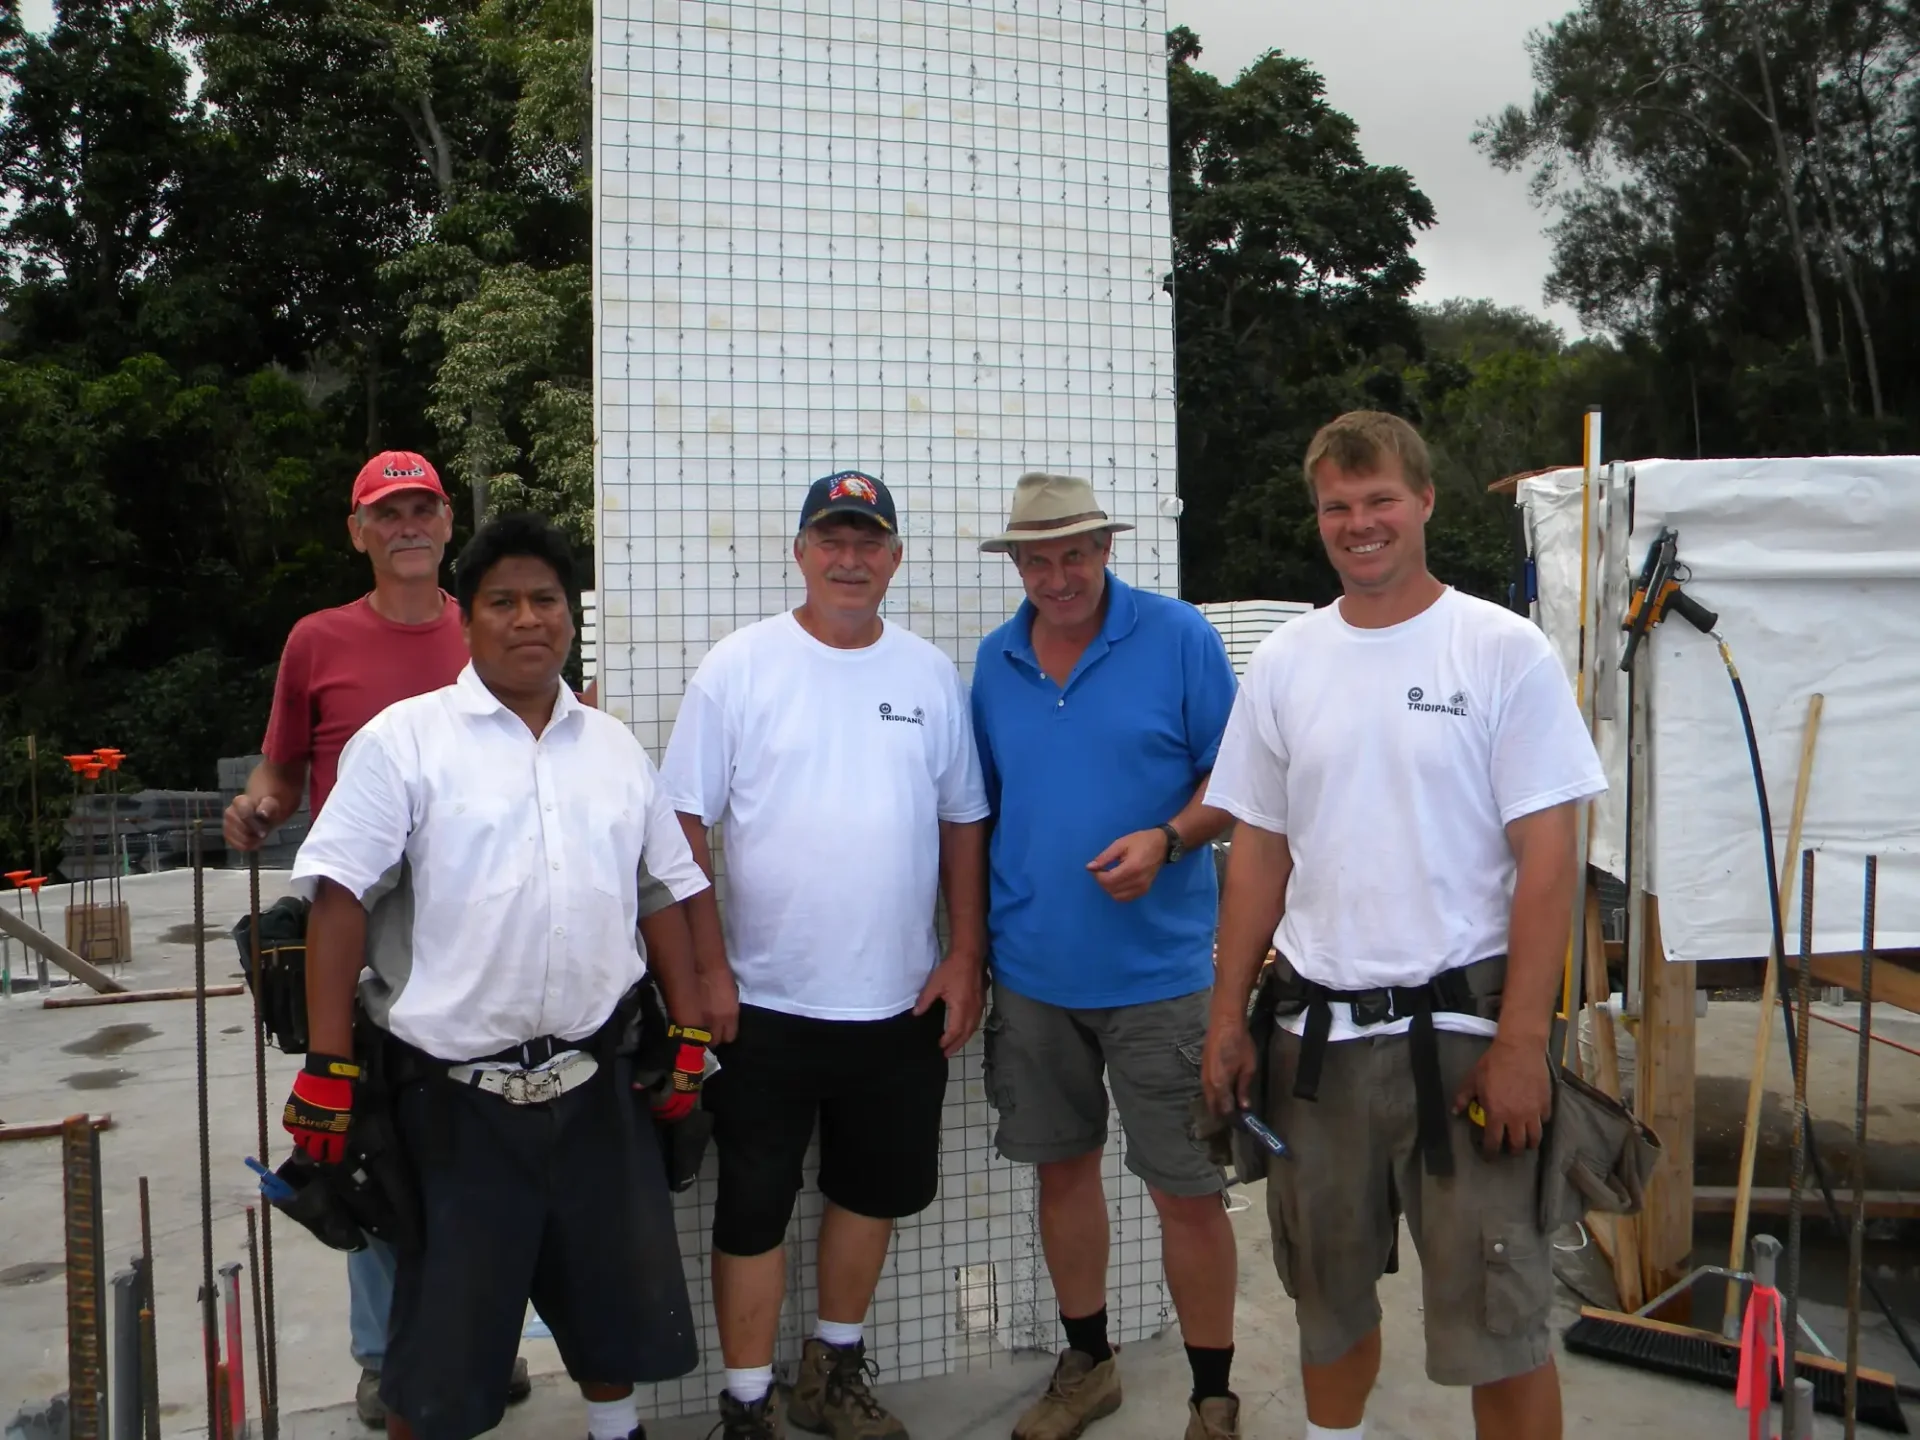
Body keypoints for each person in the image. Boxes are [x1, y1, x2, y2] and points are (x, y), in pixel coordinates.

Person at [1199, 411, 1606, 1440]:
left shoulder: (1499, 649)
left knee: (1498, 1320)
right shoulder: (1289, 662)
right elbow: (1258, 850)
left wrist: (1524, 1043)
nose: (1359, 522)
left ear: (1424, 501)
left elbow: (1549, 859)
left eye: (1379, 499)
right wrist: (1226, 1020)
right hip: (1316, 1044)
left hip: (1466, 1041)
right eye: (1337, 507)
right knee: (1326, 1306)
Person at [284, 511, 717, 1440]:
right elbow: (339, 901)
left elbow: (662, 895)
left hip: (598, 1086)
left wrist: (686, 1036)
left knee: (615, 1305)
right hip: (455, 1105)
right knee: (441, 1359)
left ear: (571, 616)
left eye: (547, 600)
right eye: (503, 602)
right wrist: (328, 1066)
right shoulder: (405, 743)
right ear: (468, 620)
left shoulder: (612, 749)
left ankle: (617, 1432)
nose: (530, 619)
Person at [659, 469, 990, 1440]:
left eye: (869, 541)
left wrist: (963, 953)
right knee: (753, 1206)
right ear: (800, 552)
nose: (850, 558)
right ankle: (748, 1404)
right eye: (831, 539)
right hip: (759, 1005)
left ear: (894, 557)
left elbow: (963, 816)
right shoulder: (740, 667)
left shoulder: (928, 674)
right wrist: (711, 970)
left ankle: (831, 1374)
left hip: (896, 1006)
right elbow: (680, 819)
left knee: (867, 1193)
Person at [222, 451, 533, 1425]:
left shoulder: (492, 626)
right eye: (386, 512)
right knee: (373, 1148)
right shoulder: (317, 641)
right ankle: (382, 1353)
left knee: (488, 1147)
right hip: (355, 939)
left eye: (423, 509)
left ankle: (488, 1338)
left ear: (447, 524)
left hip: (479, 933)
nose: (408, 526)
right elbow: (281, 773)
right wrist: (259, 808)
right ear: (357, 532)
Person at [968, 473, 1243, 1440]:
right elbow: (987, 810)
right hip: (1033, 975)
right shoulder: (995, 662)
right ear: (1017, 565)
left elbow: (1239, 779)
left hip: (1161, 979)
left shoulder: (1178, 639)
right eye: (1036, 559)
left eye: (1073, 553)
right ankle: (1089, 1362)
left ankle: (1214, 1395)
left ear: (1106, 550)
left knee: (1187, 1190)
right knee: (1062, 1174)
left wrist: (1169, 837)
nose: (1056, 576)